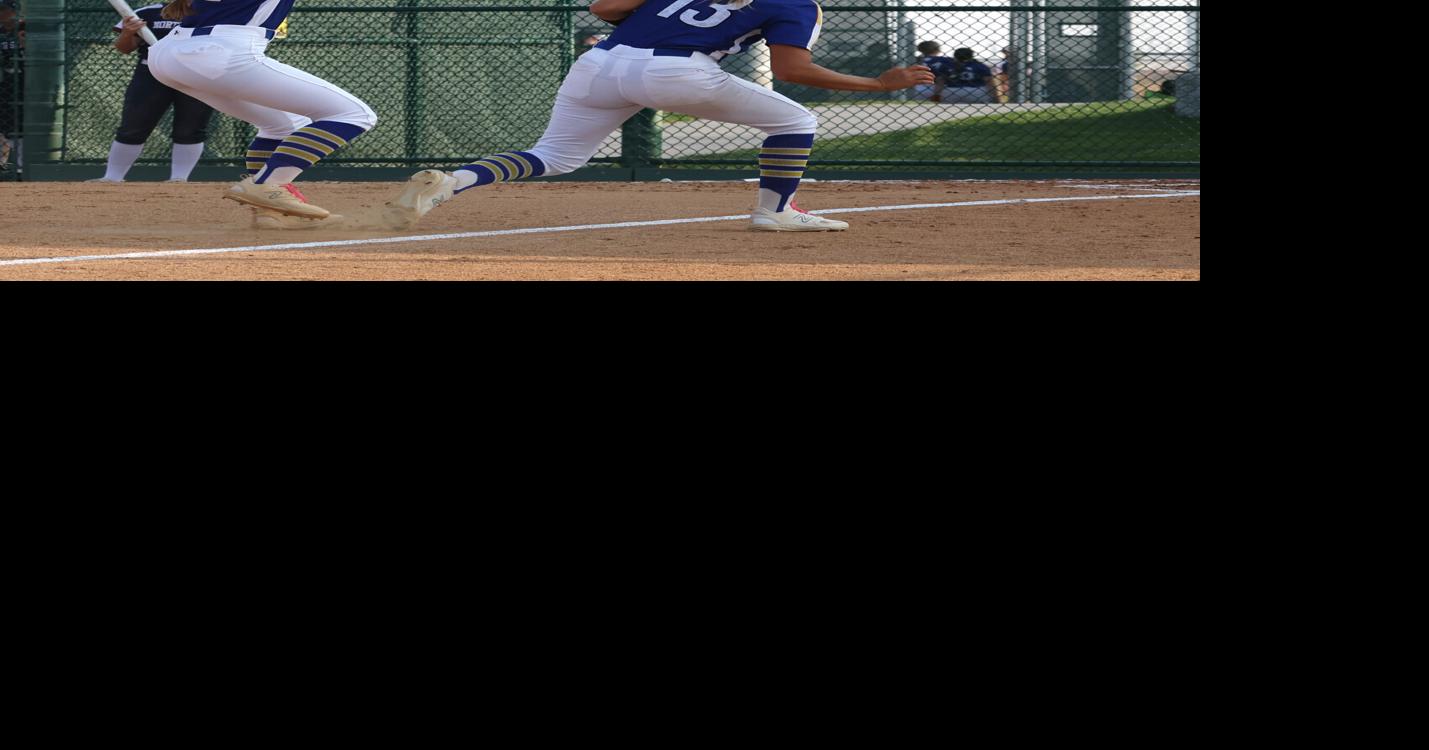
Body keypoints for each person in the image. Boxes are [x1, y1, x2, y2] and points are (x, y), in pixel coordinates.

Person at [385, 0, 932, 233]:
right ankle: (776, 211)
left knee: (552, 156)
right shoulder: (798, 3)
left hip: (600, 61)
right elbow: (792, 69)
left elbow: (602, 7)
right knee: (795, 122)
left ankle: (452, 181)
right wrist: (876, 83)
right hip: (676, 71)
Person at [146, 0, 377, 223]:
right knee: (354, 114)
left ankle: (271, 212)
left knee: (282, 126)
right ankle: (268, 185)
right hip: (218, 50)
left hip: (171, 52)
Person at [90, 2, 215, 183]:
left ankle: (179, 180)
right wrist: (128, 32)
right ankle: (112, 178)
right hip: (151, 75)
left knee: (190, 129)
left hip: (196, 75)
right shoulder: (148, 12)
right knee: (133, 127)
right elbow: (124, 48)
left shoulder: (215, 12)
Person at [1, 0, 23, 173]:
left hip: (24, 86)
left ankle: (22, 169)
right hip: (4, 84)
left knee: (20, 128)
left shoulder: (26, 29)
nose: (1, 14)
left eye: (3, 10)